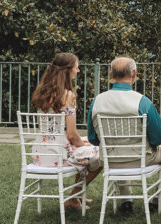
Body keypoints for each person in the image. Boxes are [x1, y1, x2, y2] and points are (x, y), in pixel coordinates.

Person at [86, 57, 161, 213]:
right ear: (134, 73)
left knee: (118, 151)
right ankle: (158, 198)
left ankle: (126, 200)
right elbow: (158, 138)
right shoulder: (142, 102)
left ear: (111, 74)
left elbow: (93, 138)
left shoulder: (97, 101)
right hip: (142, 158)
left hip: (110, 159)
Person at [30, 52, 102, 211]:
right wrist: (80, 143)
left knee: (85, 145)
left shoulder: (42, 92)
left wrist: (79, 143)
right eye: (77, 68)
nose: (78, 71)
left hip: (40, 154)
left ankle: (77, 195)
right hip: (58, 155)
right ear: (67, 70)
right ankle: (74, 196)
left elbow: (44, 129)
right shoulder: (68, 95)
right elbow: (70, 134)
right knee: (100, 155)